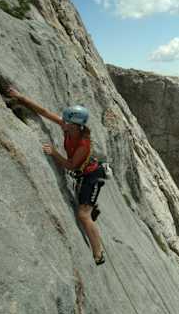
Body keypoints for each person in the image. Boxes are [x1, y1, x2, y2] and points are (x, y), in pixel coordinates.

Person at [7, 87, 106, 265]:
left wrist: (53, 153)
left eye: (67, 122)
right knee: (83, 208)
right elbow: (44, 112)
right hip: (84, 174)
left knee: (84, 216)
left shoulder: (83, 143)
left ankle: (98, 253)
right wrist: (21, 98)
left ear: (76, 125)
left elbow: (70, 165)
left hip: (92, 177)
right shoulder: (69, 128)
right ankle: (91, 205)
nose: (63, 123)